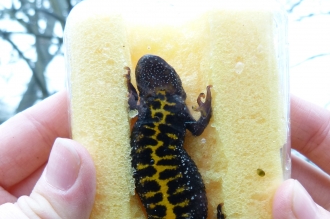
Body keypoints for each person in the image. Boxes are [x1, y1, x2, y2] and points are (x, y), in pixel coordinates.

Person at [0, 91, 329, 218]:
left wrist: (134, 101)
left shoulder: (150, 116)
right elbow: (198, 127)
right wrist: (206, 110)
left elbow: (147, 115)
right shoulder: (169, 115)